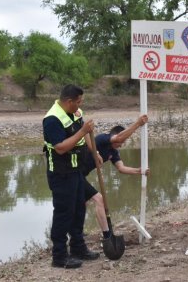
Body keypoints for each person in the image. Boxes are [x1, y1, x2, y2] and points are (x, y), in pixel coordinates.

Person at [43, 84, 99, 269]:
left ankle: (78, 248)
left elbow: (85, 136)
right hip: (61, 174)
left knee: (78, 210)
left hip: (76, 171)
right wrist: (82, 132)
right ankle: (59, 256)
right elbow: (60, 148)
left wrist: (94, 153)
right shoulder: (52, 119)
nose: (80, 104)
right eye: (78, 101)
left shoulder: (76, 112)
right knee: (63, 214)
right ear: (68, 101)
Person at [82, 115, 150, 240]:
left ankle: (76, 232)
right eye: (121, 142)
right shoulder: (103, 139)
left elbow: (121, 168)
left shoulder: (113, 152)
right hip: (75, 173)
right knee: (98, 199)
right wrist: (137, 123)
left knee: (82, 202)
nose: (122, 144)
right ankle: (107, 235)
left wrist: (139, 171)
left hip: (82, 175)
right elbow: (119, 137)